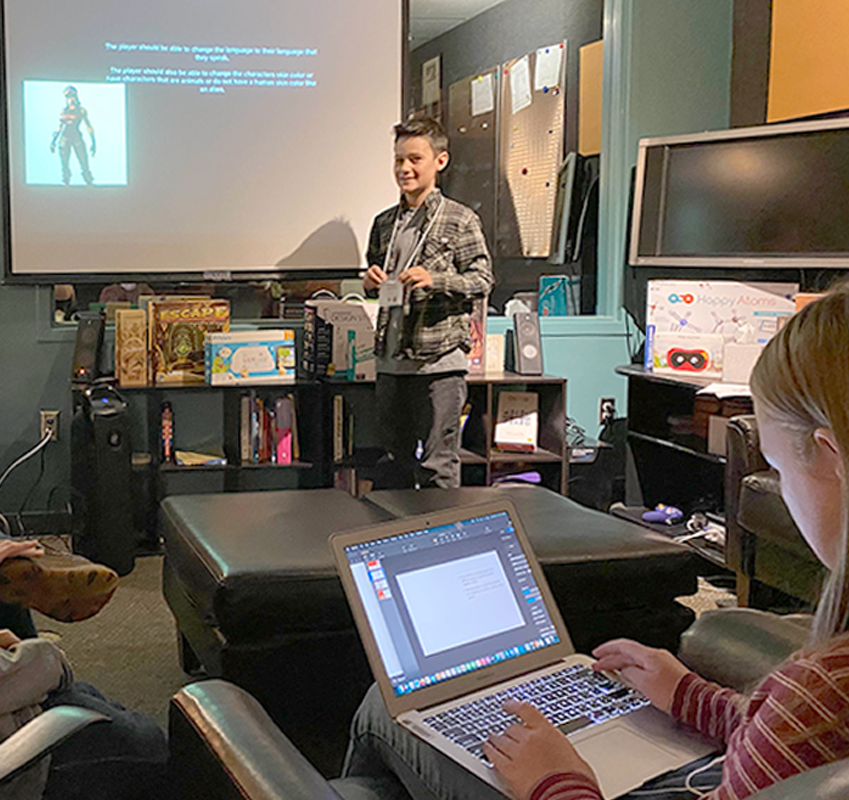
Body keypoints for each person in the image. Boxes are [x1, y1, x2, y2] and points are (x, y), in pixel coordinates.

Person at [342, 288, 849, 799]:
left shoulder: (818, 693)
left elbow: (797, 726)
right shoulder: (816, 703)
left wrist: (556, 782)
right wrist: (688, 696)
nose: (781, 491)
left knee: (385, 708)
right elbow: (795, 745)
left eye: (778, 469)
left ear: (831, 457)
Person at [363, 118, 493, 490]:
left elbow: (482, 281)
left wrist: (436, 279)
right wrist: (369, 283)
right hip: (391, 360)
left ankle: (441, 544)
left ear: (440, 161)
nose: (404, 168)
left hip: (439, 363)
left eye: (415, 159)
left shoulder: (460, 219)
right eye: (399, 160)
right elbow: (379, 289)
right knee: (393, 464)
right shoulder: (384, 222)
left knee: (438, 466)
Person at [0, 539, 166, 799]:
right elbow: (44, 668)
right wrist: (45, 660)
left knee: (101, 704)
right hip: (22, 740)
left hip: (23, 695)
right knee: (150, 747)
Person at [49, 85, 96, 186]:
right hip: (65, 138)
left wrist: (93, 141)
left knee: (84, 162)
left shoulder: (81, 110)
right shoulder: (64, 111)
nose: (70, 99)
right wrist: (53, 141)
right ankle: (66, 182)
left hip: (76, 137)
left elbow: (88, 126)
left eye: (72, 96)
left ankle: (89, 181)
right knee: (64, 164)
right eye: (68, 97)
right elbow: (60, 127)